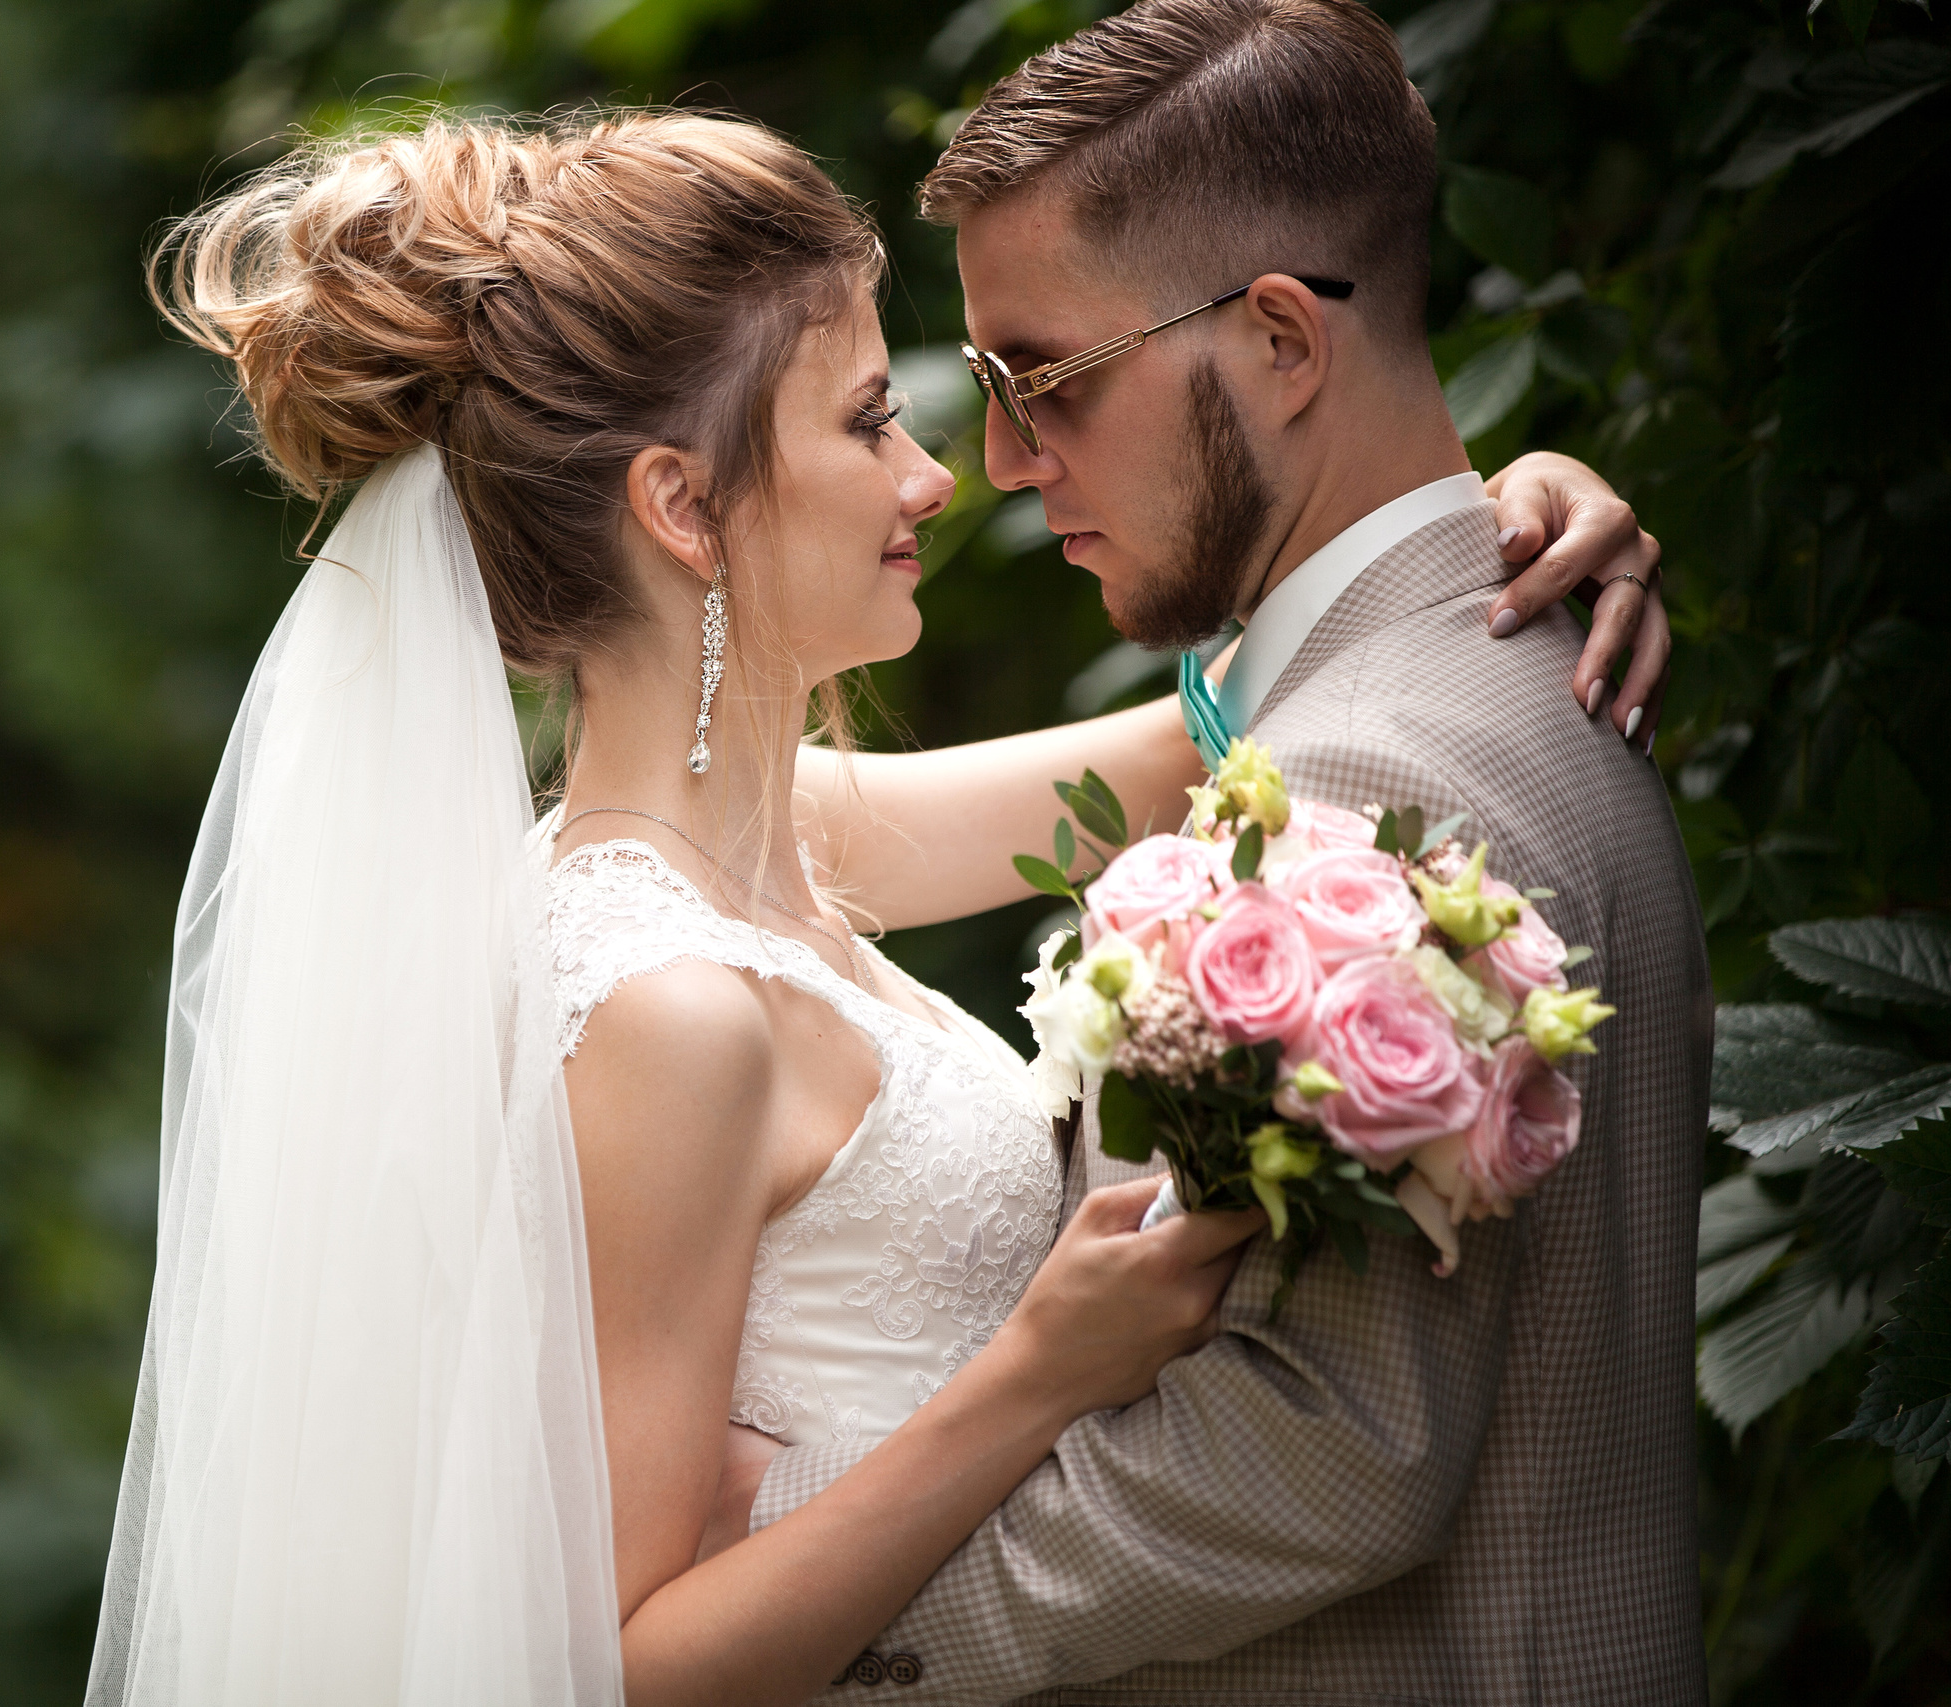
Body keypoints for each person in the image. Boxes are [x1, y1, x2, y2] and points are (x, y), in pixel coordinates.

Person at [83, 101, 1675, 1706]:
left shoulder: (786, 843)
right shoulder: (664, 1007)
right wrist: (1028, 1381)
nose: (935, 477)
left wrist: (1493, 511)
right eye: (864, 425)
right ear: (683, 508)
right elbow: (619, 1670)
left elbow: (1248, 709)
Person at [737, 3, 1711, 1702]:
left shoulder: (1364, 778)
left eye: (1048, 381)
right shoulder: (1469, 685)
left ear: (1279, 338)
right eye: (985, 389)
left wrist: (796, 1596)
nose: (1005, 466)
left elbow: (1313, 1443)